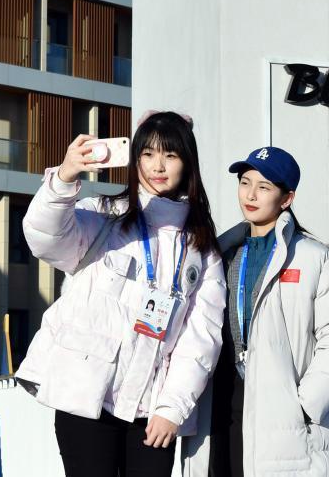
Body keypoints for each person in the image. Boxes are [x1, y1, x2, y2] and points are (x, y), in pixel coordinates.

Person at [15, 111, 227, 477]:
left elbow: (201, 339)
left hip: (152, 412)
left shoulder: (201, 247)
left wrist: (171, 409)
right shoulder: (103, 217)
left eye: (170, 155)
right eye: (147, 154)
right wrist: (64, 178)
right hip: (85, 398)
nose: (157, 166)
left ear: (187, 163)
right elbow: (44, 237)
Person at [182, 146, 329, 477]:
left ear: (286, 198)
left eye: (264, 187)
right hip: (220, 401)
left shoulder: (316, 258)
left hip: (282, 409)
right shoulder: (220, 253)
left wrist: (304, 405)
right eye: (245, 182)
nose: (250, 194)